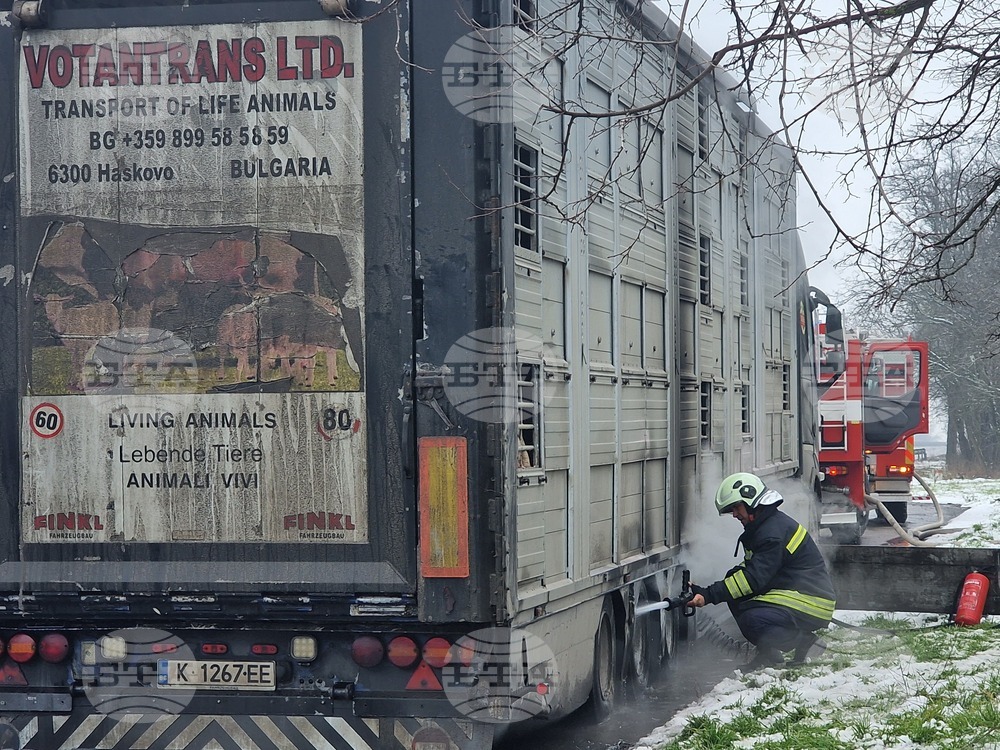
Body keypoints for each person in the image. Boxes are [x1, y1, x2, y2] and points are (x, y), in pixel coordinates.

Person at [687, 472, 837, 670]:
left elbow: (753, 579)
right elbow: (750, 570)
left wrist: (709, 595)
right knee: (736, 589)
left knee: (752, 620)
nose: (734, 514)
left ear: (751, 501)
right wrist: (706, 591)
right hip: (801, 594)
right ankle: (769, 655)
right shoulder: (767, 526)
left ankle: (806, 643)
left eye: (736, 507)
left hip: (812, 600)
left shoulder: (771, 533)